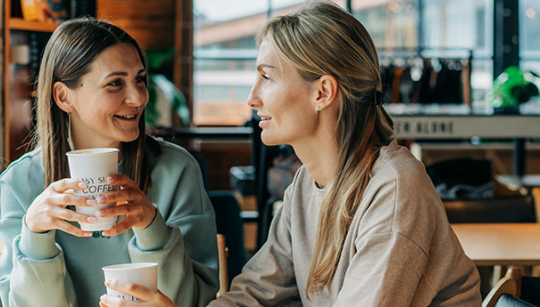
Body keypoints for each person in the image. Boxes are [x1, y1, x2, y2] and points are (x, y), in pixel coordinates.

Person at [99, 2, 481, 306]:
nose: (252, 98)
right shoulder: (306, 184)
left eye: (267, 77)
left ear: (323, 93)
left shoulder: (393, 192)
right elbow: (253, 294)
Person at [0, 18, 219, 307]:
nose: (138, 98)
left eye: (139, 79)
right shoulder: (19, 183)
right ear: (64, 97)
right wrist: (36, 239)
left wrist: (151, 226)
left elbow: (190, 302)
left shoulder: (177, 170)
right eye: (115, 83)